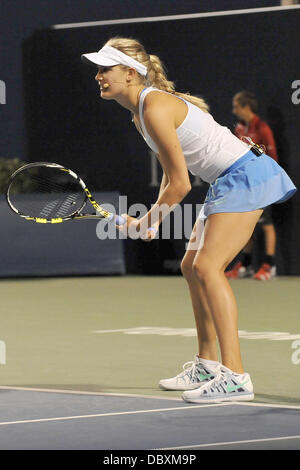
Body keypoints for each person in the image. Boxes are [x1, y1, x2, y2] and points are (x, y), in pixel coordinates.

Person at [81, 37, 297, 403]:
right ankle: (208, 364)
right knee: (191, 266)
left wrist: (147, 219)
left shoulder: (154, 108)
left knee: (209, 267)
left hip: (246, 174)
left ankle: (235, 377)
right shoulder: (140, 114)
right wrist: (151, 221)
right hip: (228, 179)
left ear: (131, 74)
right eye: (98, 70)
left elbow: (181, 185)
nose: (98, 76)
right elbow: (170, 174)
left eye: (106, 69)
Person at [226, 91, 279, 280]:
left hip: (263, 183)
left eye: (236, 106)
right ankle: (247, 265)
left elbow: (272, 158)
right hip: (244, 185)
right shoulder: (240, 129)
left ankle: (270, 265)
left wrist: (252, 151)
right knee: (246, 224)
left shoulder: (263, 128)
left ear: (246, 107)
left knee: (266, 224)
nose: (234, 110)